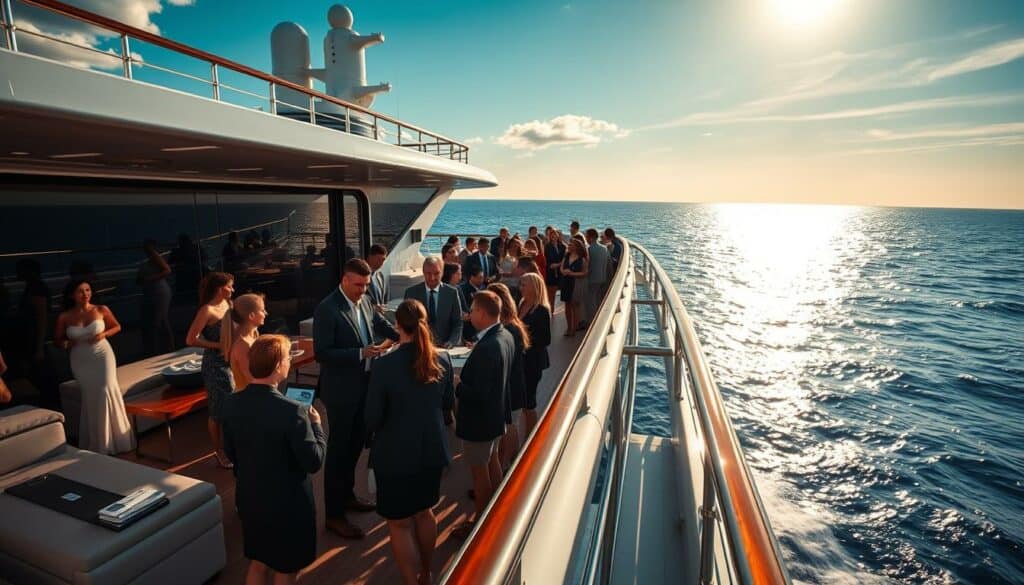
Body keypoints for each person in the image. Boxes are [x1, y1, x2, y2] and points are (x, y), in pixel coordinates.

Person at [223, 335, 327, 585]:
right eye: (288, 358)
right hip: (287, 506)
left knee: (258, 563)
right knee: (286, 569)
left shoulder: (232, 403)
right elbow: (313, 461)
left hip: (251, 499)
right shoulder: (295, 412)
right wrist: (318, 427)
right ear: (279, 365)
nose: (290, 363)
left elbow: (230, 452)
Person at [365, 300, 454, 585]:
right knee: (425, 513)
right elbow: (447, 405)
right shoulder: (443, 359)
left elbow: (372, 418)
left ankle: (412, 582)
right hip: (431, 451)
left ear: (397, 327)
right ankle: (428, 573)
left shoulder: (384, 365)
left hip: (394, 455)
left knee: (400, 523)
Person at [313, 258, 400, 538]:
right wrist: (360, 354)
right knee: (338, 452)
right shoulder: (327, 310)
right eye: (359, 284)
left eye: (366, 284)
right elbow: (322, 353)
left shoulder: (363, 300)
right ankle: (334, 515)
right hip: (340, 393)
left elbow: (378, 321)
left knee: (355, 447)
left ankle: (348, 495)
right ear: (345, 279)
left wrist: (404, 334)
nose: (364, 290)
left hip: (364, 386)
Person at [454, 290, 514, 538]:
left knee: (480, 472)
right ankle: (495, 512)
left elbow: (478, 393)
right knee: (493, 463)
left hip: (479, 422)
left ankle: (480, 525)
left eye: (472, 310)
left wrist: (457, 384)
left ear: (481, 312)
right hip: (496, 417)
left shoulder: (488, 347)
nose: (470, 314)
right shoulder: (506, 336)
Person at [54, 279, 134, 454]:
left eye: (88, 290)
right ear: (72, 295)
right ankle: (97, 442)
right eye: (80, 291)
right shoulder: (65, 316)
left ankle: (116, 439)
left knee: (106, 389)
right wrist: (67, 344)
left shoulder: (101, 309)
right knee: (90, 395)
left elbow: (117, 326)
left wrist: (103, 334)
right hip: (80, 359)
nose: (85, 294)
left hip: (102, 355)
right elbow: (58, 340)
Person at [186, 271, 236, 469]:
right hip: (215, 365)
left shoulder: (228, 305)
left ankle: (233, 447)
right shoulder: (206, 310)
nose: (233, 289)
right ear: (219, 288)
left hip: (231, 362)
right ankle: (219, 451)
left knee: (232, 406)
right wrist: (218, 345)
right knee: (217, 411)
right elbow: (191, 339)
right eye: (230, 286)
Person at [488, 283, 529, 471]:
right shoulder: (513, 325)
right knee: (510, 425)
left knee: (510, 426)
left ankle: (506, 466)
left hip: (511, 386)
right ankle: (510, 464)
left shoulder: (508, 329)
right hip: (515, 383)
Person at [518, 273, 551, 437]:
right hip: (521, 360)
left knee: (529, 402)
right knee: (523, 401)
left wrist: (524, 340)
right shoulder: (522, 304)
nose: (520, 287)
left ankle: (530, 436)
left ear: (533, 287)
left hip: (533, 361)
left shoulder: (542, 311)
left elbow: (546, 339)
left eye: (524, 284)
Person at [404, 257, 463, 348]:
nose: (432, 278)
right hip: (418, 347)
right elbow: (406, 323)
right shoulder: (411, 293)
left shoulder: (452, 293)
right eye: (428, 273)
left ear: (442, 273)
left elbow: (458, 322)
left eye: (436, 273)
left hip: (445, 348)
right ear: (423, 272)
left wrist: (452, 341)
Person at [137, 239, 174, 356]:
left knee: (161, 319)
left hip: (159, 291)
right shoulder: (147, 261)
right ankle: (162, 347)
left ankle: (167, 348)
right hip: (152, 291)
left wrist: (150, 278)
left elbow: (167, 270)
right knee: (158, 319)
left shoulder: (155, 256)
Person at [225, 294, 267, 392]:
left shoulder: (254, 334)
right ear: (251, 316)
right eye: (262, 310)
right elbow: (251, 379)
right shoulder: (242, 344)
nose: (266, 313)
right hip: (247, 398)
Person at [560, 238, 588, 337]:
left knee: (575, 306)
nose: (569, 245)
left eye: (571, 244)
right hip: (566, 283)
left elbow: (584, 272)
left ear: (577, 246)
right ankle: (569, 327)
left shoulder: (582, 259)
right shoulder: (566, 256)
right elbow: (562, 268)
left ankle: (574, 329)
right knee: (567, 306)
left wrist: (572, 273)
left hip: (575, 283)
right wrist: (564, 272)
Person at [584, 228, 610, 328]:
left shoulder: (589, 250)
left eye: (586, 236)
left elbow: (588, 266)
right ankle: (599, 320)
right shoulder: (604, 248)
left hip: (591, 279)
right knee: (598, 300)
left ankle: (593, 324)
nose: (585, 238)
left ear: (590, 238)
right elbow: (608, 265)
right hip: (602, 278)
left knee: (591, 302)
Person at [459, 264, 484, 342]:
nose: (482, 280)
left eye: (482, 277)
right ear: (472, 277)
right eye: (479, 277)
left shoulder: (483, 288)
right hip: (468, 326)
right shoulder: (462, 289)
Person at [544, 229, 566, 308]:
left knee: (562, 293)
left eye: (555, 235)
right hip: (551, 273)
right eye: (551, 235)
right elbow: (549, 263)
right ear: (549, 236)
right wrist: (560, 264)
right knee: (551, 295)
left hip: (560, 273)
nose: (553, 236)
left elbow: (565, 257)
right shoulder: (547, 246)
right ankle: (550, 311)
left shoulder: (562, 246)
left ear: (558, 235)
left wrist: (559, 264)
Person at [366, 243, 389, 311]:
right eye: (378, 259)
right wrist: (374, 308)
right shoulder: (360, 276)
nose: (381, 263)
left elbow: (385, 300)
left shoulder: (381, 276)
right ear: (370, 257)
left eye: (383, 260)